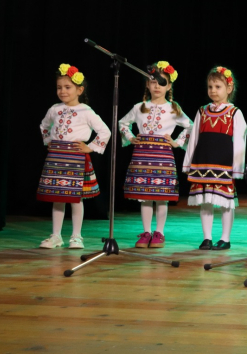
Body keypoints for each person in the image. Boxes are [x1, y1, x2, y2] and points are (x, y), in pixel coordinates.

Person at [119, 61, 192, 248]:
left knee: (161, 196)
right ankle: (146, 232)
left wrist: (177, 142)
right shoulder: (139, 107)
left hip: (163, 157)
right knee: (145, 195)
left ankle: (159, 232)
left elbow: (191, 126)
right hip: (142, 156)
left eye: (162, 82)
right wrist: (130, 137)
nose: (157, 86)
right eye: (153, 82)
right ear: (147, 84)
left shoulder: (173, 108)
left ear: (169, 86)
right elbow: (122, 123)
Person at [37, 64, 111, 249]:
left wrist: (90, 147)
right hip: (57, 157)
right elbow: (44, 126)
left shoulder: (86, 111)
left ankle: (76, 236)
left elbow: (105, 131)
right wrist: (48, 141)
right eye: (59, 87)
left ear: (80, 90)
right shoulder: (54, 109)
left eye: (67, 87)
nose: (62, 91)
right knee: (57, 197)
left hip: (75, 158)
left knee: (76, 199)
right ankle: (56, 236)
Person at [182, 66, 247, 251]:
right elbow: (194, 138)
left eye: (218, 86)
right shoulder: (202, 111)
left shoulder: (234, 112)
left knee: (226, 202)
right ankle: (207, 237)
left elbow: (240, 141)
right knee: (205, 200)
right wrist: (188, 163)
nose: (213, 90)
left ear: (229, 88)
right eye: (210, 86)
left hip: (224, 164)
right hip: (203, 162)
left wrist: (237, 168)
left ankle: (225, 238)